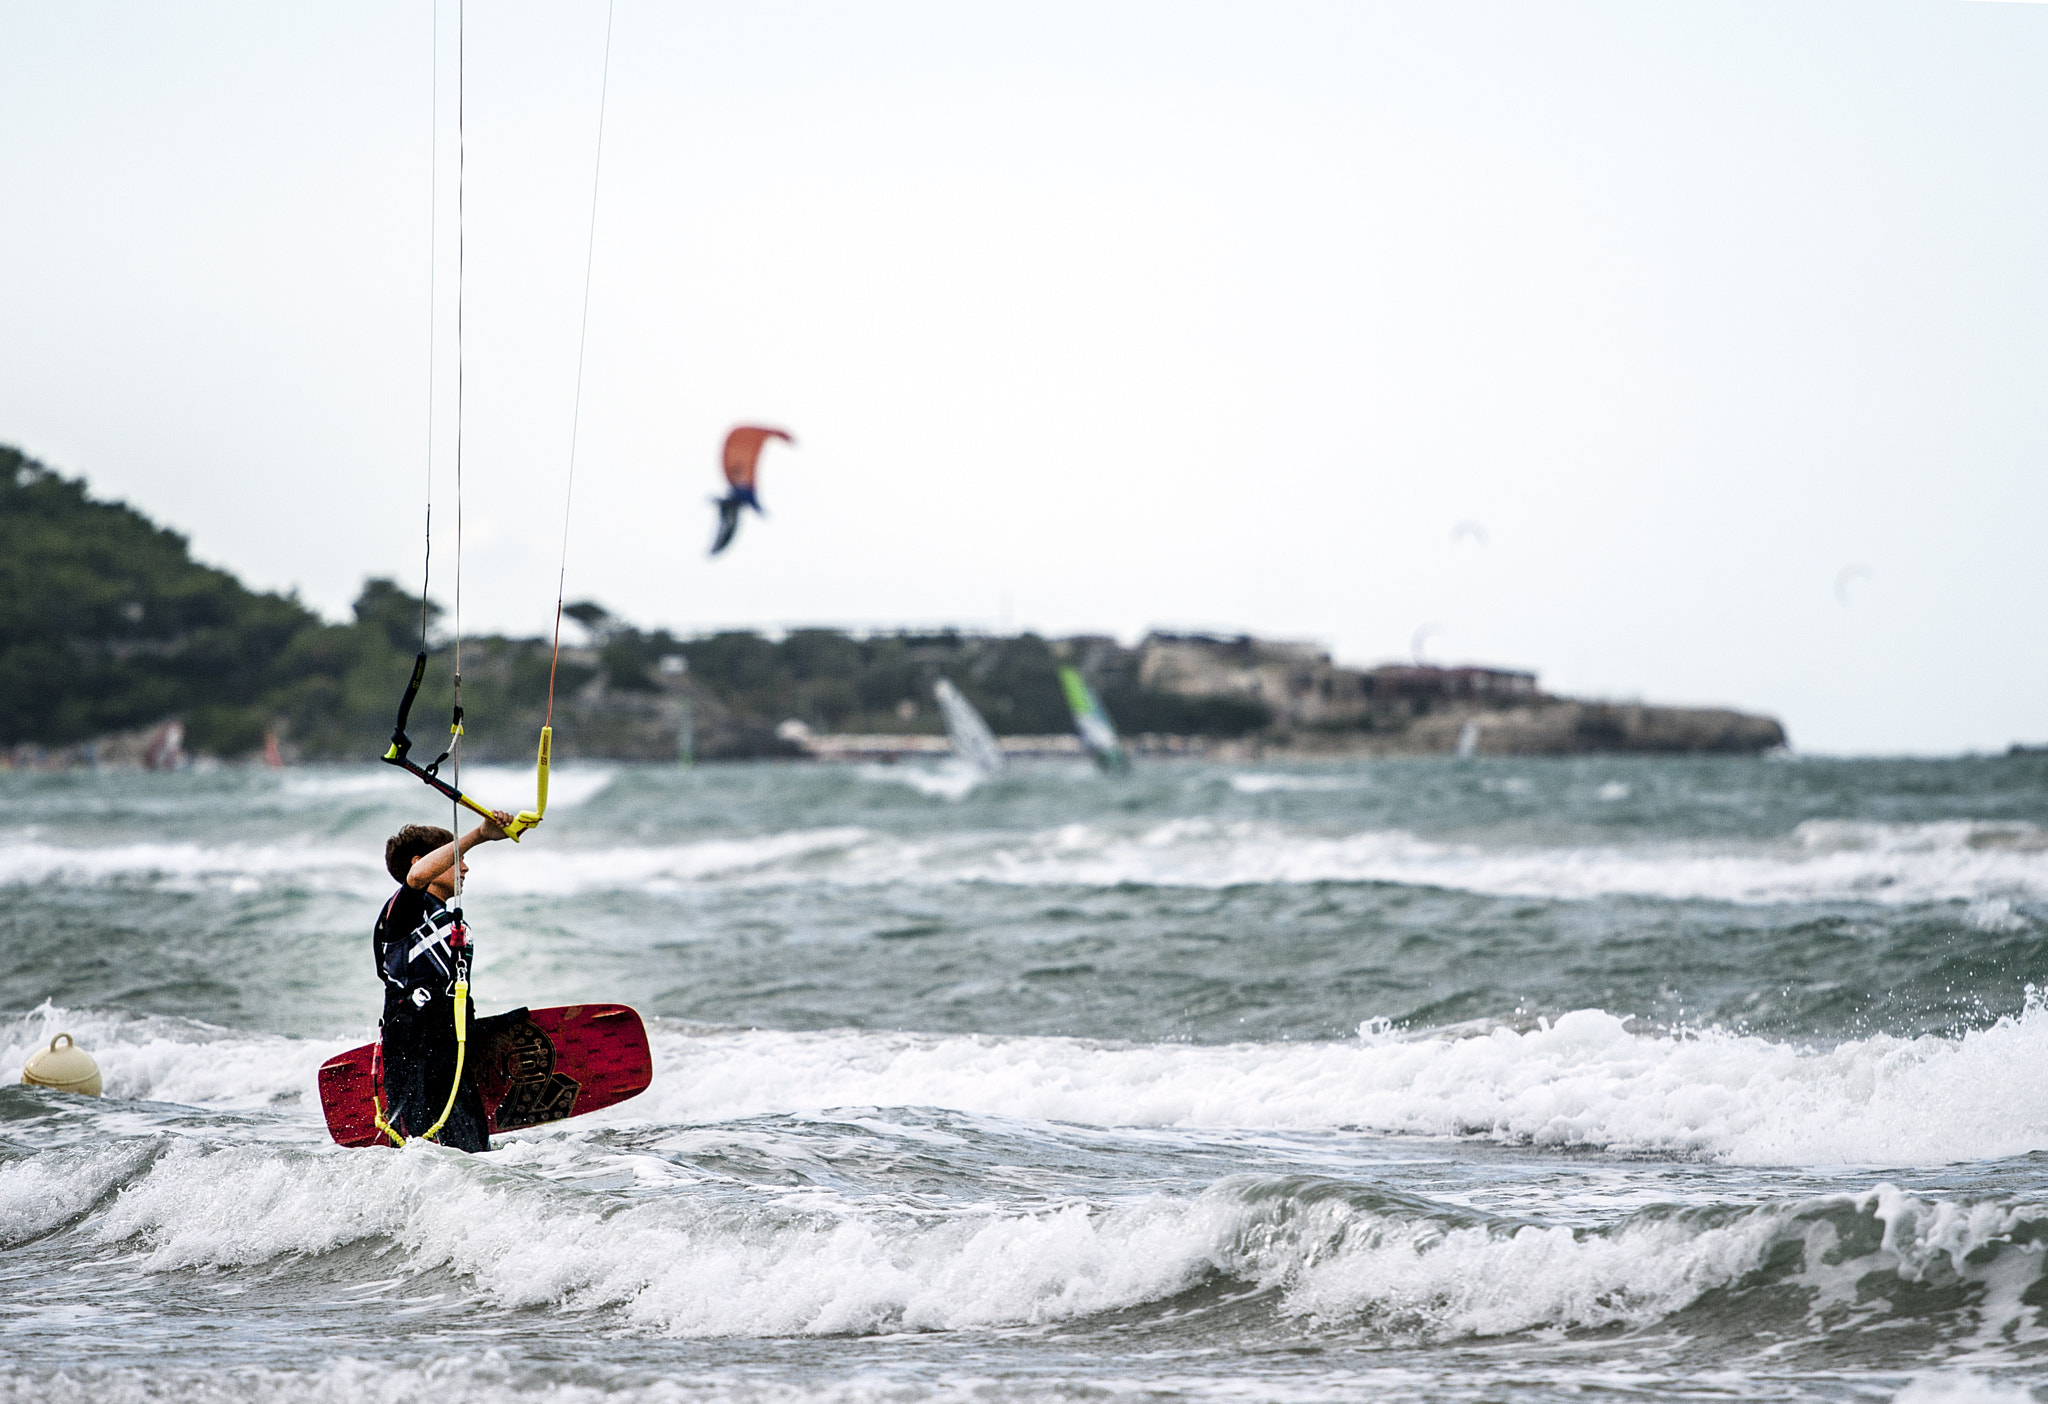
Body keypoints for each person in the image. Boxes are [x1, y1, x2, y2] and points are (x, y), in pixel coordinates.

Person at [374, 809, 532, 1151]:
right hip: (412, 1050)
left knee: (473, 1154)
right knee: (421, 1150)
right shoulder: (403, 913)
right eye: (456, 858)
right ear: (425, 862)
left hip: (449, 1045)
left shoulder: (447, 917)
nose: (465, 867)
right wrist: (478, 835)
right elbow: (415, 878)